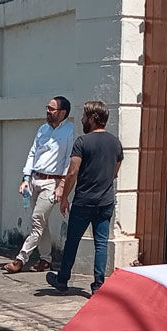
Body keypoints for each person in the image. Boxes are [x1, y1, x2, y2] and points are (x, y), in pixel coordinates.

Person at [46, 100, 123, 293]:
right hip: (105, 201)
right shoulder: (115, 142)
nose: (82, 120)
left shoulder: (82, 142)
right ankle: (98, 284)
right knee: (101, 243)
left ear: (92, 118)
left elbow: (72, 171)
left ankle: (62, 279)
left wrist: (64, 197)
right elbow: (116, 170)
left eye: (84, 116)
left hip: (84, 201)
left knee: (72, 240)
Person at [5, 96, 74, 274]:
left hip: (53, 182)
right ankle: (46, 259)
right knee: (41, 223)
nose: (48, 111)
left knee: (37, 220)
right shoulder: (42, 129)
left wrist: (62, 186)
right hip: (35, 179)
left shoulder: (69, 131)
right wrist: (25, 178)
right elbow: (32, 153)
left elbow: (69, 160)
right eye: (48, 108)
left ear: (63, 113)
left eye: (52, 109)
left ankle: (21, 259)